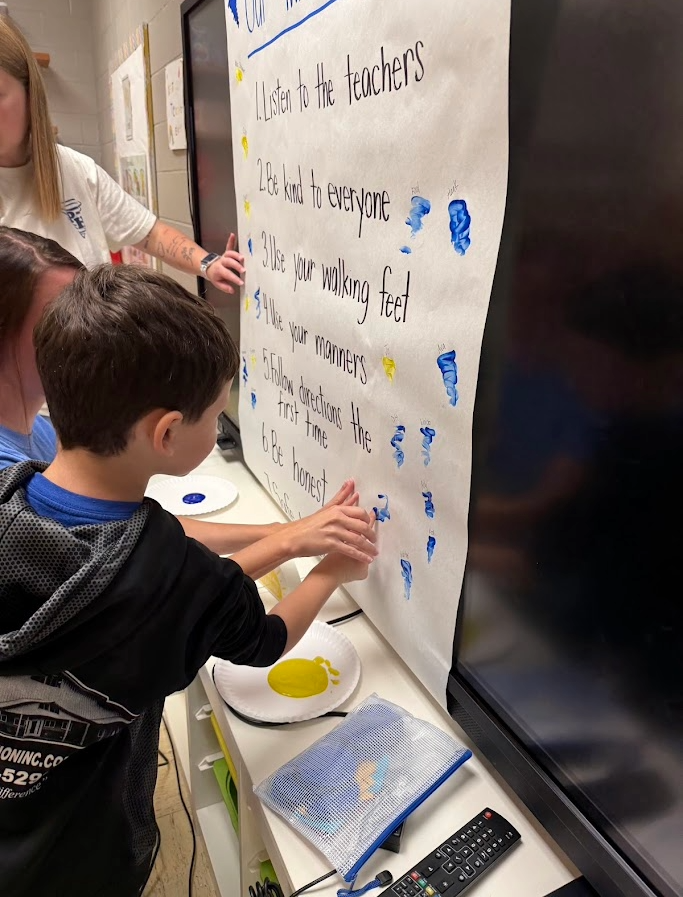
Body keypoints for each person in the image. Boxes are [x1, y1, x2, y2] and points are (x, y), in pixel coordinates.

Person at [0, 264, 376, 897]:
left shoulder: (12, 498)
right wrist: (333, 568)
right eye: (215, 418)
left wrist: (282, 534)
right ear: (168, 432)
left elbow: (152, 555)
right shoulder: (171, 574)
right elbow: (265, 640)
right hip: (86, 851)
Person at [0, 226, 378, 561]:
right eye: (59, 313)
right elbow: (151, 595)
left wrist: (278, 533)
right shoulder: (11, 486)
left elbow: (137, 532)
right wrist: (288, 544)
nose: (82, 324)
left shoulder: (48, 433)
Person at [0, 17, 244, 294]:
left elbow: (148, 233)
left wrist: (208, 263)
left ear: (30, 94)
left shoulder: (76, 171)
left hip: (92, 335)